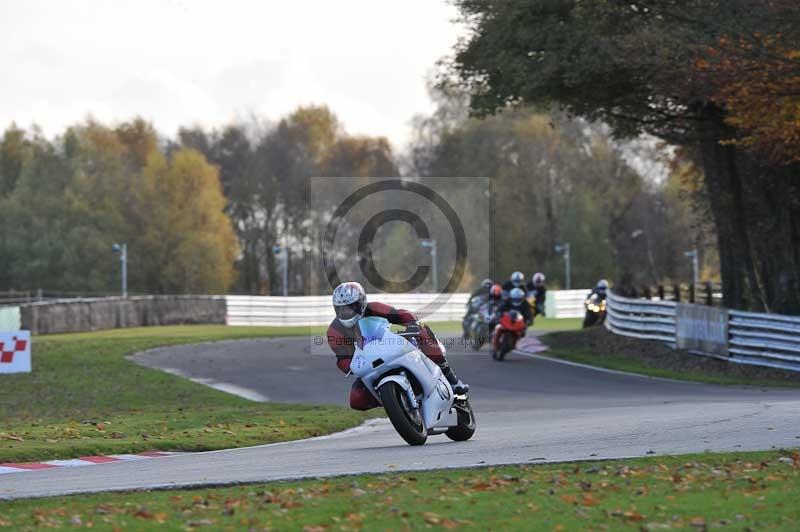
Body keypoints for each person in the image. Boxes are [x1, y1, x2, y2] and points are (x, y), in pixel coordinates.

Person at [327, 281, 469, 411]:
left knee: (422, 330)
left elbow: (402, 315)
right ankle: (394, 401)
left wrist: (411, 326)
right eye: (342, 309)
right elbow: (342, 358)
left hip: (392, 340)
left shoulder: (374, 308)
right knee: (356, 400)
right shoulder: (335, 331)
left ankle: (451, 379)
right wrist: (350, 366)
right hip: (368, 360)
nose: (347, 312)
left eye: (351, 307)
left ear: (361, 303)